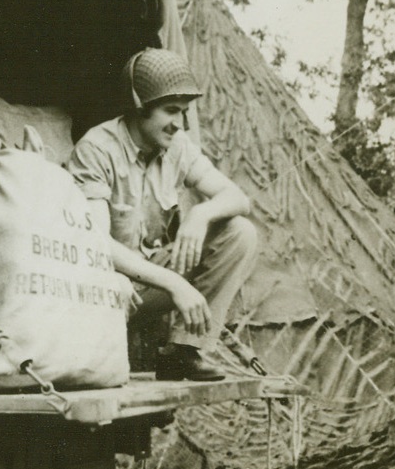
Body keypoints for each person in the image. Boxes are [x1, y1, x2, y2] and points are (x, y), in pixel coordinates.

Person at [67, 48, 258, 381]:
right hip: (102, 293)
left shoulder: (177, 146)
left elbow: (238, 198)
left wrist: (202, 214)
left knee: (240, 232)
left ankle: (184, 351)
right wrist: (174, 283)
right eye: (171, 111)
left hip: (147, 287)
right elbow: (97, 247)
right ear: (140, 107)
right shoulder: (96, 149)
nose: (179, 124)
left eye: (184, 113)